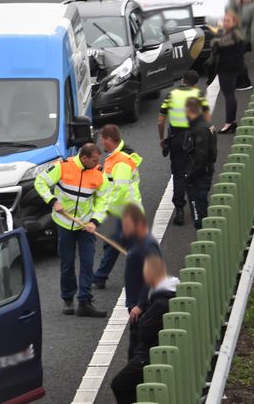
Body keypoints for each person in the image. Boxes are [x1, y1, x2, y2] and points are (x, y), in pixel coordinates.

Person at [86, 255, 177, 404]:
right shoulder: (166, 296)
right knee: (129, 387)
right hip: (152, 354)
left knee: (121, 384)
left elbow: (145, 329)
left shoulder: (160, 303)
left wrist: (141, 314)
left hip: (149, 356)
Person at [34, 144, 109, 317]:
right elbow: (40, 181)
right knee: (67, 263)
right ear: (84, 158)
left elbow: (103, 200)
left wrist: (95, 221)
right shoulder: (63, 167)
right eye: (95, 160)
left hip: (86, 226)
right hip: (64, 224)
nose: (99, 163)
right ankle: (68, 298)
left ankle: (84, 301)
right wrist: (53, 201)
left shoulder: (99, 173)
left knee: (88, 262)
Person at [92, 124, 143, 289]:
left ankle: (101, 277)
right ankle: (101, 277)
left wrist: (104, 209)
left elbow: (119, 189)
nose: (100, 142)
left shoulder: (120, 161)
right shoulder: (116, 157)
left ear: (108, 139)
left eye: (102, 138)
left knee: (118, 244)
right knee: (115, 245)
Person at [158, 70, 209, 226]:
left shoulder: (171, 94)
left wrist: (162, 139)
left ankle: (179, 210)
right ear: (194, 83)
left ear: (182, 80)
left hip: (176, 139)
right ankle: (197, 209)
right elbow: (205, 118)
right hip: (194, 139)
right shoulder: (198, 94)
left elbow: (160, 120)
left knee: (178, 174)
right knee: (194, 173)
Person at [120, 204, 162, 330]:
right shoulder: (136, 242)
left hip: (143, 306)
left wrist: (141, 305)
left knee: (141, 344)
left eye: (127, 224)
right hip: (135, 304)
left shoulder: (148, 245)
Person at [208, 8, 247, 133]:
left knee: (229, 95)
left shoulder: (230, 35)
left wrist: (216, 36)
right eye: (224, 20)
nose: (224, 23)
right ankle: (231, 121)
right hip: (236, 67)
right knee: (229, 94)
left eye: (227, 21)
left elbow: (216, 45)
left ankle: (229, 122)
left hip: (227, 69)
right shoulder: (238, 33)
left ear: (234, 22)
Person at [183, 97, 217, 230]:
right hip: (204, 172)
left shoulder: (199, 129)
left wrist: (189, 176)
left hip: (199, 175)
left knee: (199, 208)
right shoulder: (205, 125)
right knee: (201, 203)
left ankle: (203, 231)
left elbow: (201, 157)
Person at [230, 0, 254, 90]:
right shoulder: (243, 5)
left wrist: (237, 5)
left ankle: (243, 83)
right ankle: (240, 82)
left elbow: (241, 20)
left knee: (238, 60)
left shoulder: (249, 7)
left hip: (240, 37)